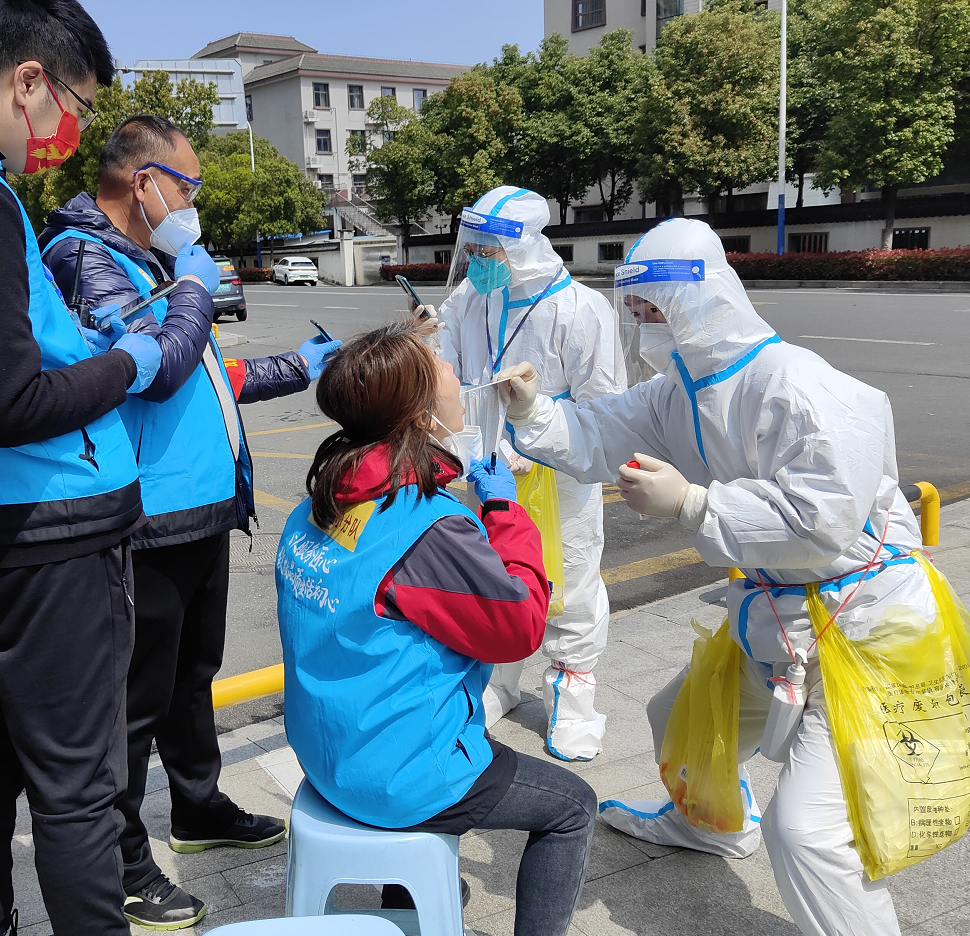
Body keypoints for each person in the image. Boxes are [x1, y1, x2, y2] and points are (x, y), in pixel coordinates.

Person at [493, 217, 939, 936]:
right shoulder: (679, 391)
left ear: (700, 299)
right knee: (677, 718)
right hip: (780, 615)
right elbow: (596, 432)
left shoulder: (802, 385)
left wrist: (696, 505)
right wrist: (533, 411)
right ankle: (711, 825)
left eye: (653, 307)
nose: (644, 323)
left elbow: (824, 520)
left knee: (808, 833)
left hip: (866, 626)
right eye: (636, 309)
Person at [40, 114, 339, 930]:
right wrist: (198, 288)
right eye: (189, 187)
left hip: (200, 510)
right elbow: (160, 368)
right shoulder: (81, 256)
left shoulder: (149, 256)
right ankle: (123, 864)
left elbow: (207, 371)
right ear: (145, 181)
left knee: (190, 676)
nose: (194, 204)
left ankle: (199, 807)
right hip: (146, 516)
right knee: (133, 702)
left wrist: (298, 367)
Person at [276, 321, 597, 936]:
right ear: (421, 417)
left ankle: (422, 889)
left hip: (326, 754)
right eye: (442, 367)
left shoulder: (319, 503)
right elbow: (519, 626)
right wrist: (504, 510)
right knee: (573, 807)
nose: (456, 373)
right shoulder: (426, 528)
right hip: (396, 776)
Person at [0, 4, 163, 934]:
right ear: (30, 80)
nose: (71, 131)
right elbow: (15, 401)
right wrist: (125, 365)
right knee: (75, 788)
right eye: (76, 104)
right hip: (52, 534)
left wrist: (79, 348)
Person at [435, 185, 626, 762]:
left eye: (490, 249)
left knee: (570, 577)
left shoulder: (579, 309)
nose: (479, 260)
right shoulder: (471, 297)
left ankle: (574, 696)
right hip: (487, 466)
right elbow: (448, 366)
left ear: (523, 245)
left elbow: (605, 409)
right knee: (491, 570)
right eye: (474, 248)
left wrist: (540, 436)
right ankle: (499, 678)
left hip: (559, 473)